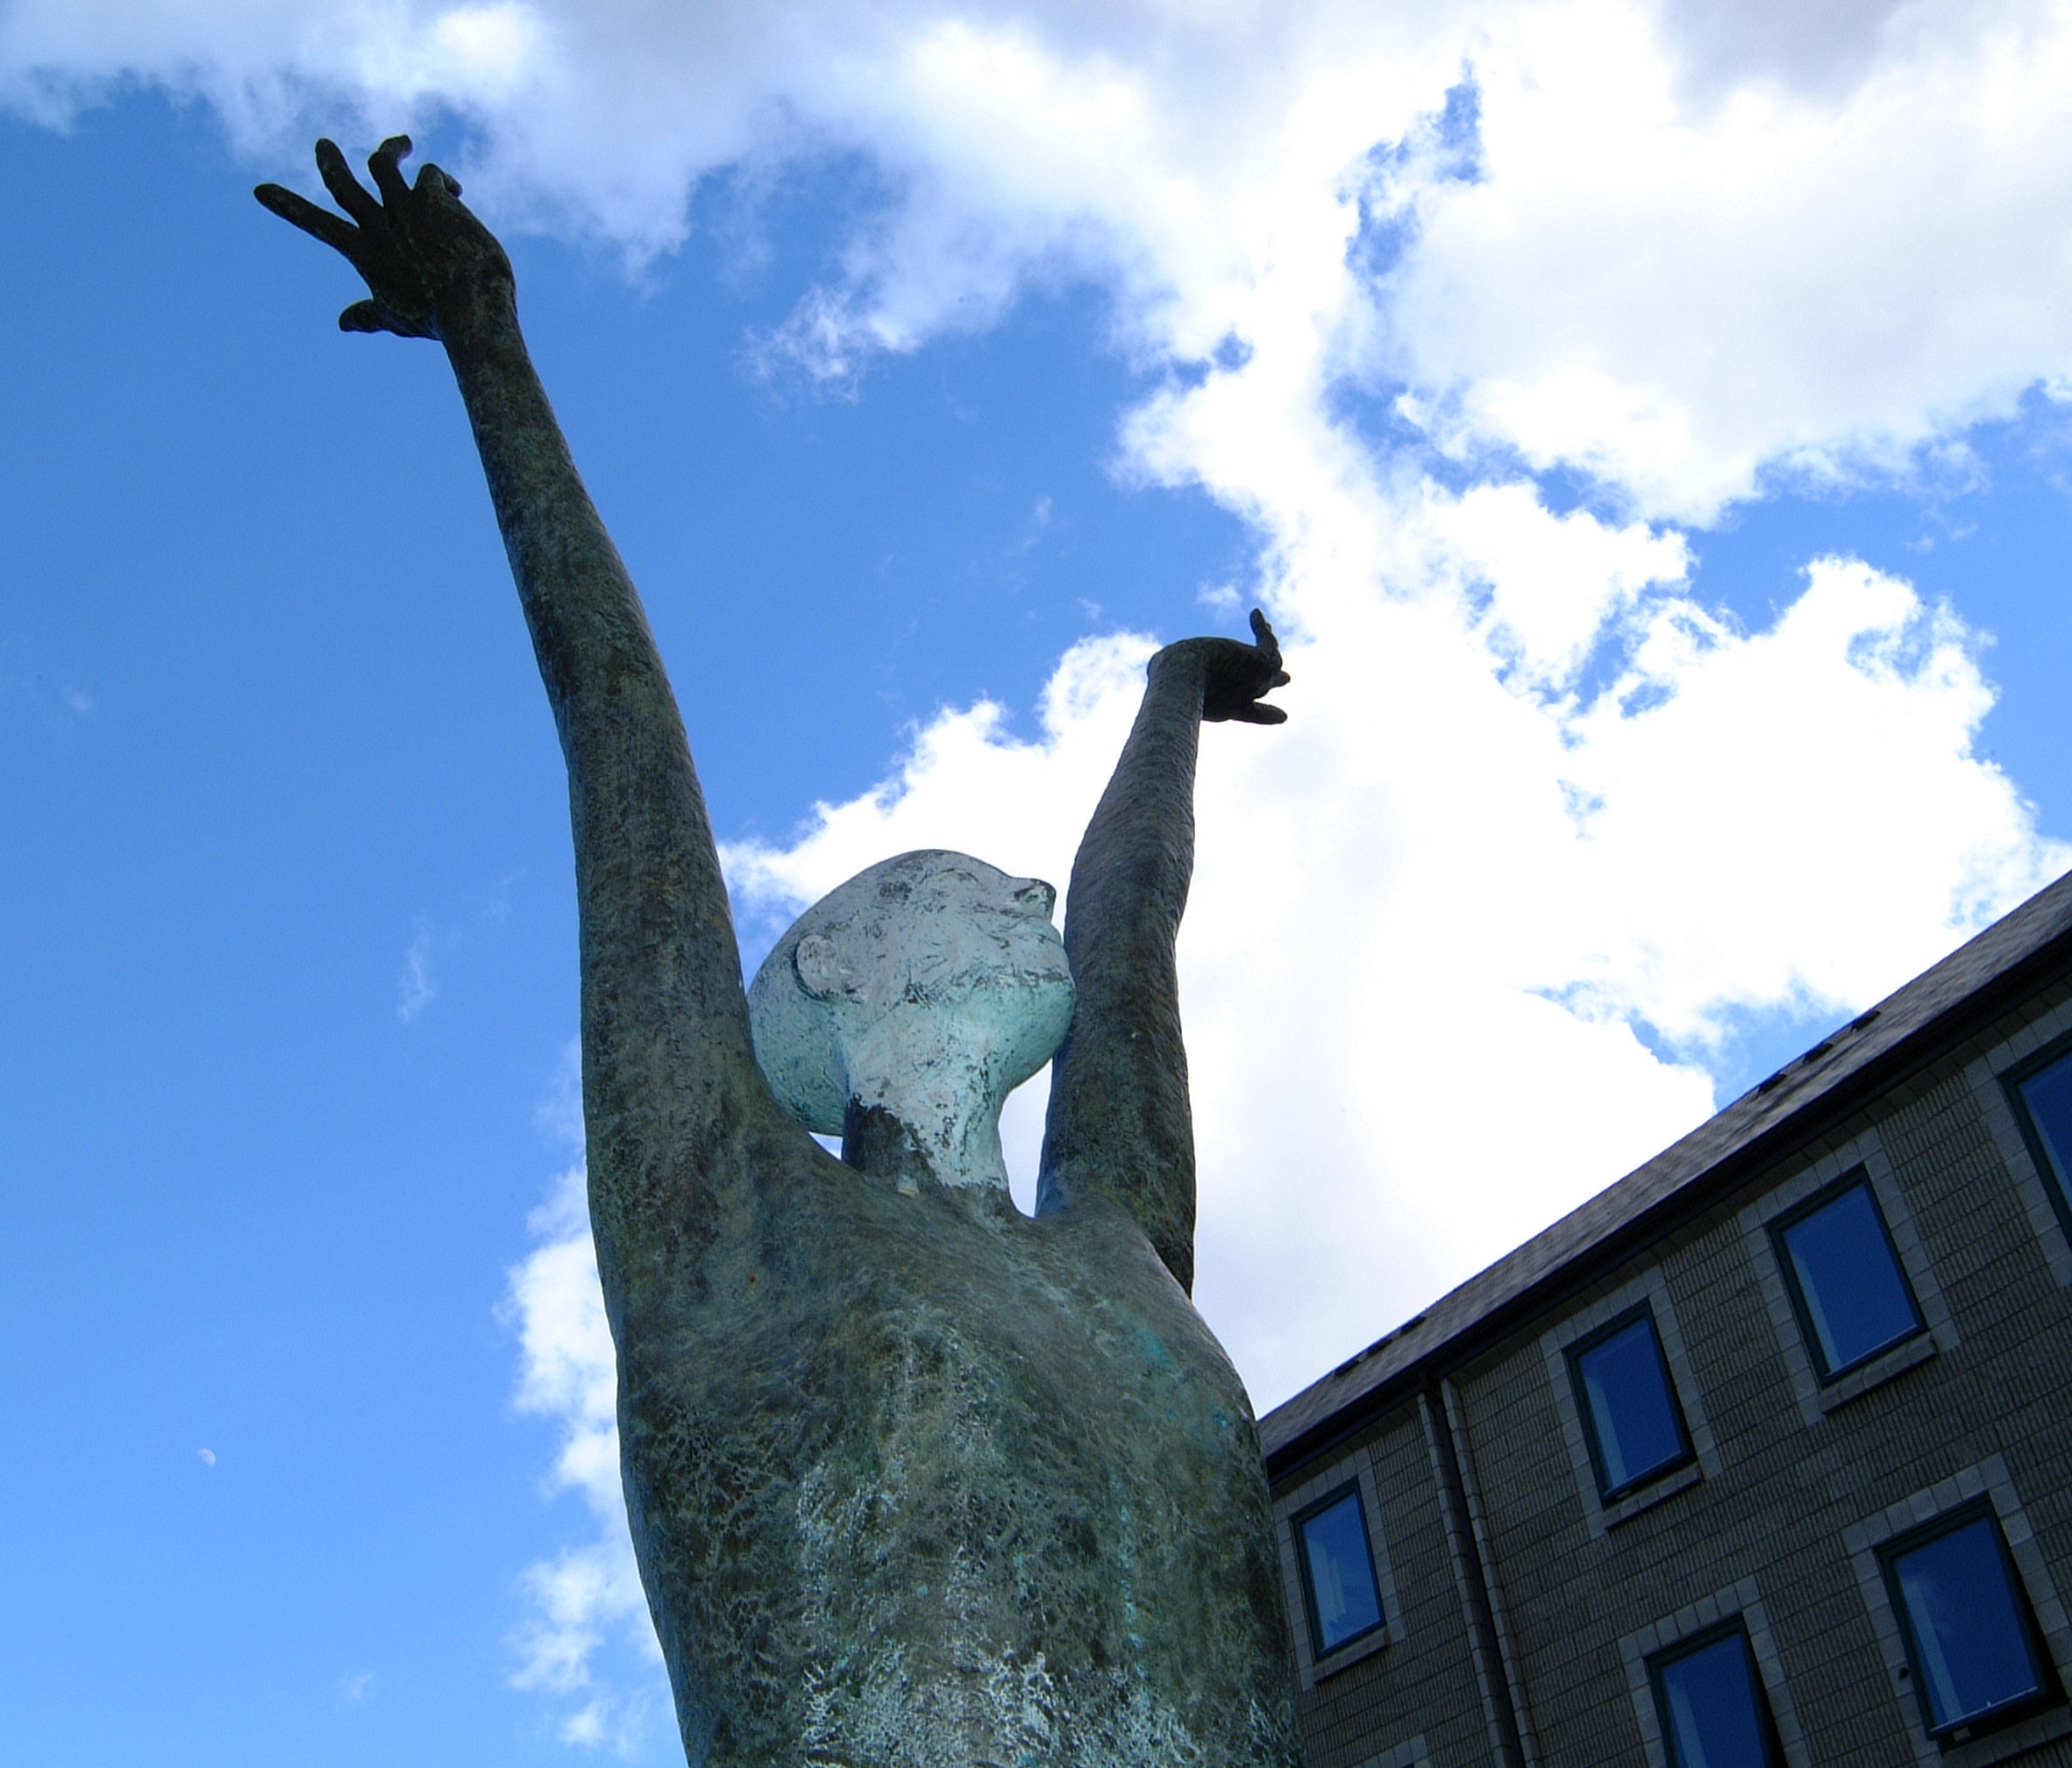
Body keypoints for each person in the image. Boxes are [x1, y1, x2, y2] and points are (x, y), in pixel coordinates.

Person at [260, 136, 1305, 1767]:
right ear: (846, 972)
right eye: (968, 887)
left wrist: (1170, 699)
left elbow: (1132, 924)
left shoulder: (1115, 1250)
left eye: (1025, 884)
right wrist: (489, 349)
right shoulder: (732, 1220)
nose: (1032, 892)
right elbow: (623, 756)